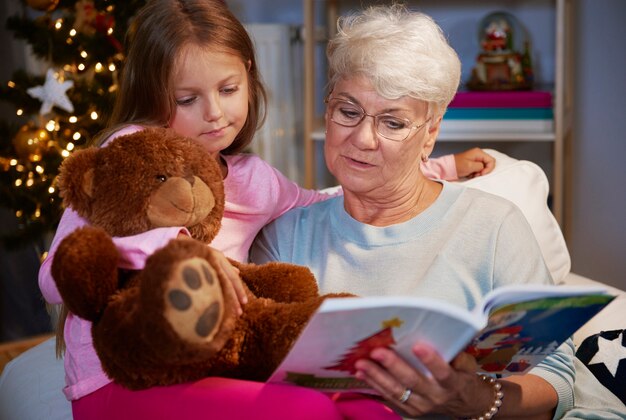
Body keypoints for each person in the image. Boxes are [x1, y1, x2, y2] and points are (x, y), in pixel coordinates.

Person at [36, 0, 490, 418]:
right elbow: (55, 274)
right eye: (187, 99)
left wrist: (440, 166)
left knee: (364, 400)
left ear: (248, 76)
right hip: (120, 377)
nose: (214, 113)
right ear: (152, 94)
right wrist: (182, 256)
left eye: (228, 89)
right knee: (306, 410)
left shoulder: (254, 179)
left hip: (213, 362)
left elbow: (333, 196)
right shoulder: (127, 155)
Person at [250, 4, 575, 420]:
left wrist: (477, 400)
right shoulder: (283, 237)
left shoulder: (494, 225)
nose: (363, 139)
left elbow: (556, 379)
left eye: (393, 123)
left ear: (431, 133)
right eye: (348, 112)